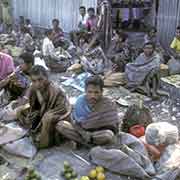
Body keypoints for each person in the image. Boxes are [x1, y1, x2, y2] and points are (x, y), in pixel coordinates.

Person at [56, 75, 119, 146]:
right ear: (85, 91)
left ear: (102, 91)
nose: (93, 96)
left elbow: (114, 127)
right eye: (90, 92)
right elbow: (74, 121)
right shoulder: (80, 101)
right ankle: (88, 143)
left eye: (96, 92)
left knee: (108, 135)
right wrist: (83, 133)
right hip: (81, 132)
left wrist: (92, 133)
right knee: (60, 125)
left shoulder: (108, 103)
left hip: (98, 133)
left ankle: (83, 142)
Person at [18, 65, 71, 148]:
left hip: (57, 116)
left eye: (40, 79)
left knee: (47, 118)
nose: (37, 83)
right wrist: (36, 112)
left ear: (46, 77)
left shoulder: (55, 90)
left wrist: (43, 113)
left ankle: (44, 143)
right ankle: (33, 130)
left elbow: (62, 109)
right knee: (21, 111)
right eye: (34, 80)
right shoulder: (33, 87)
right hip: (43, 113)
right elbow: (33, 104)